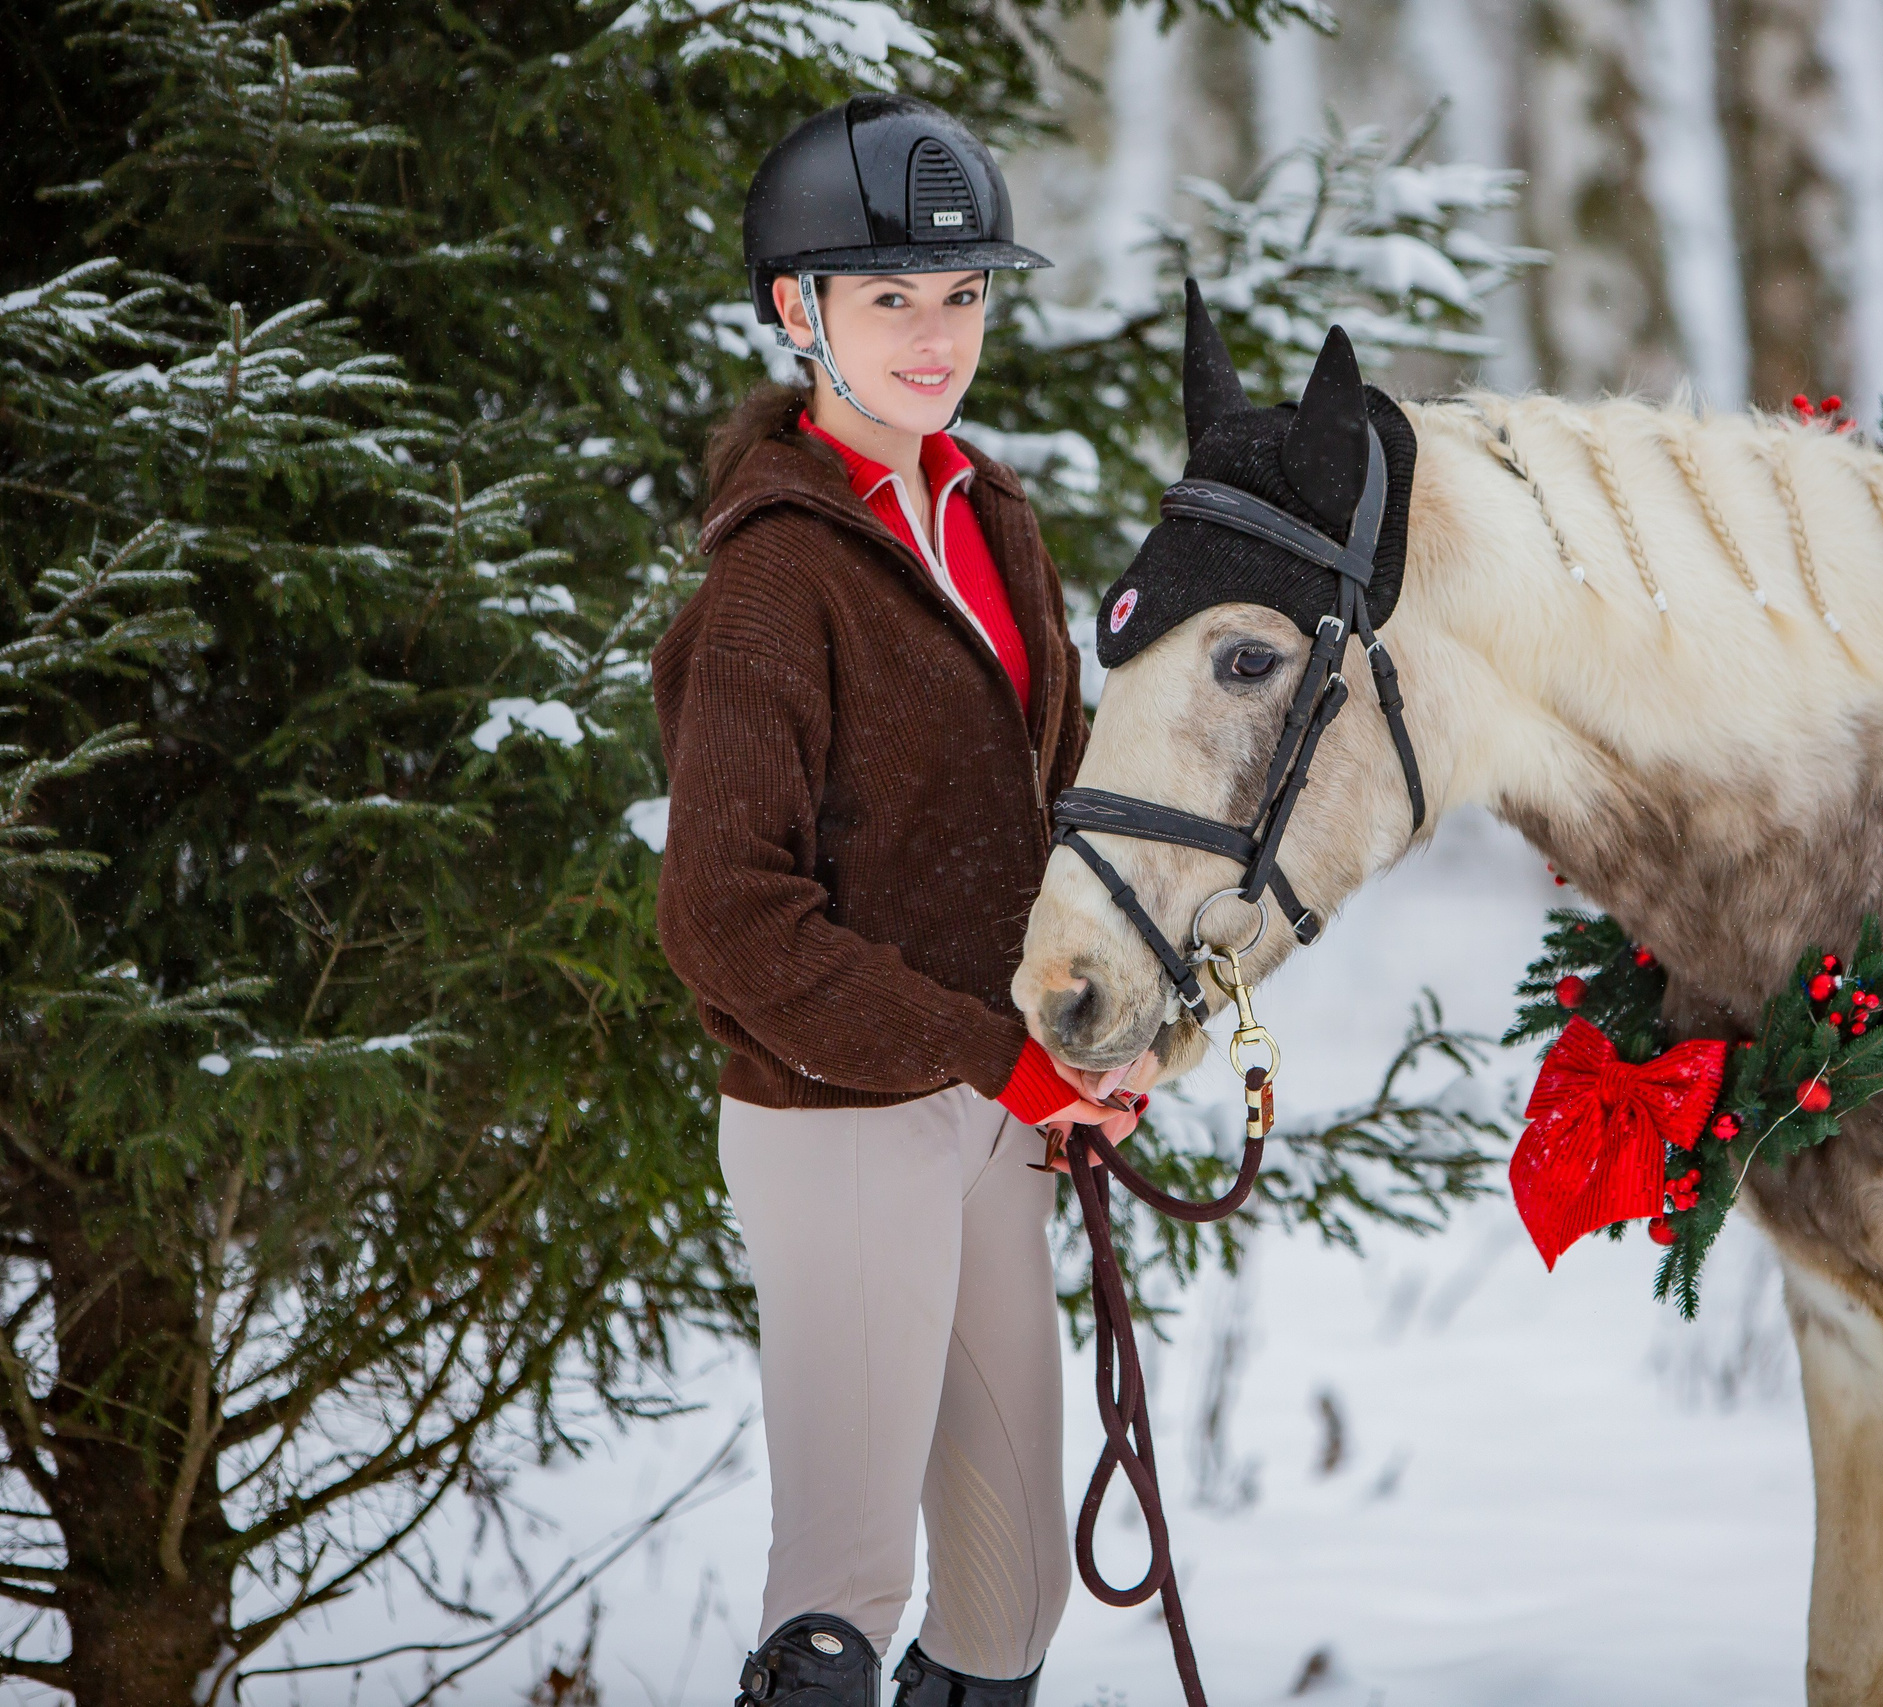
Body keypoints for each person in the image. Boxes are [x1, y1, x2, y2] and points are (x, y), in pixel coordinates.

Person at [653, 94, 1153, 1707]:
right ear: (798, 313)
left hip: (999, 1112)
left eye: (961, 295)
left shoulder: (990, 516)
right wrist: (992, 1053)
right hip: (839, 1122)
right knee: (840, 1599)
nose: (937, 338)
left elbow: (1061, 802)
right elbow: (726, 915)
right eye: (890, 300)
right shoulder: (772, 579)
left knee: (1011, 1607)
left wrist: (1104, 1032)